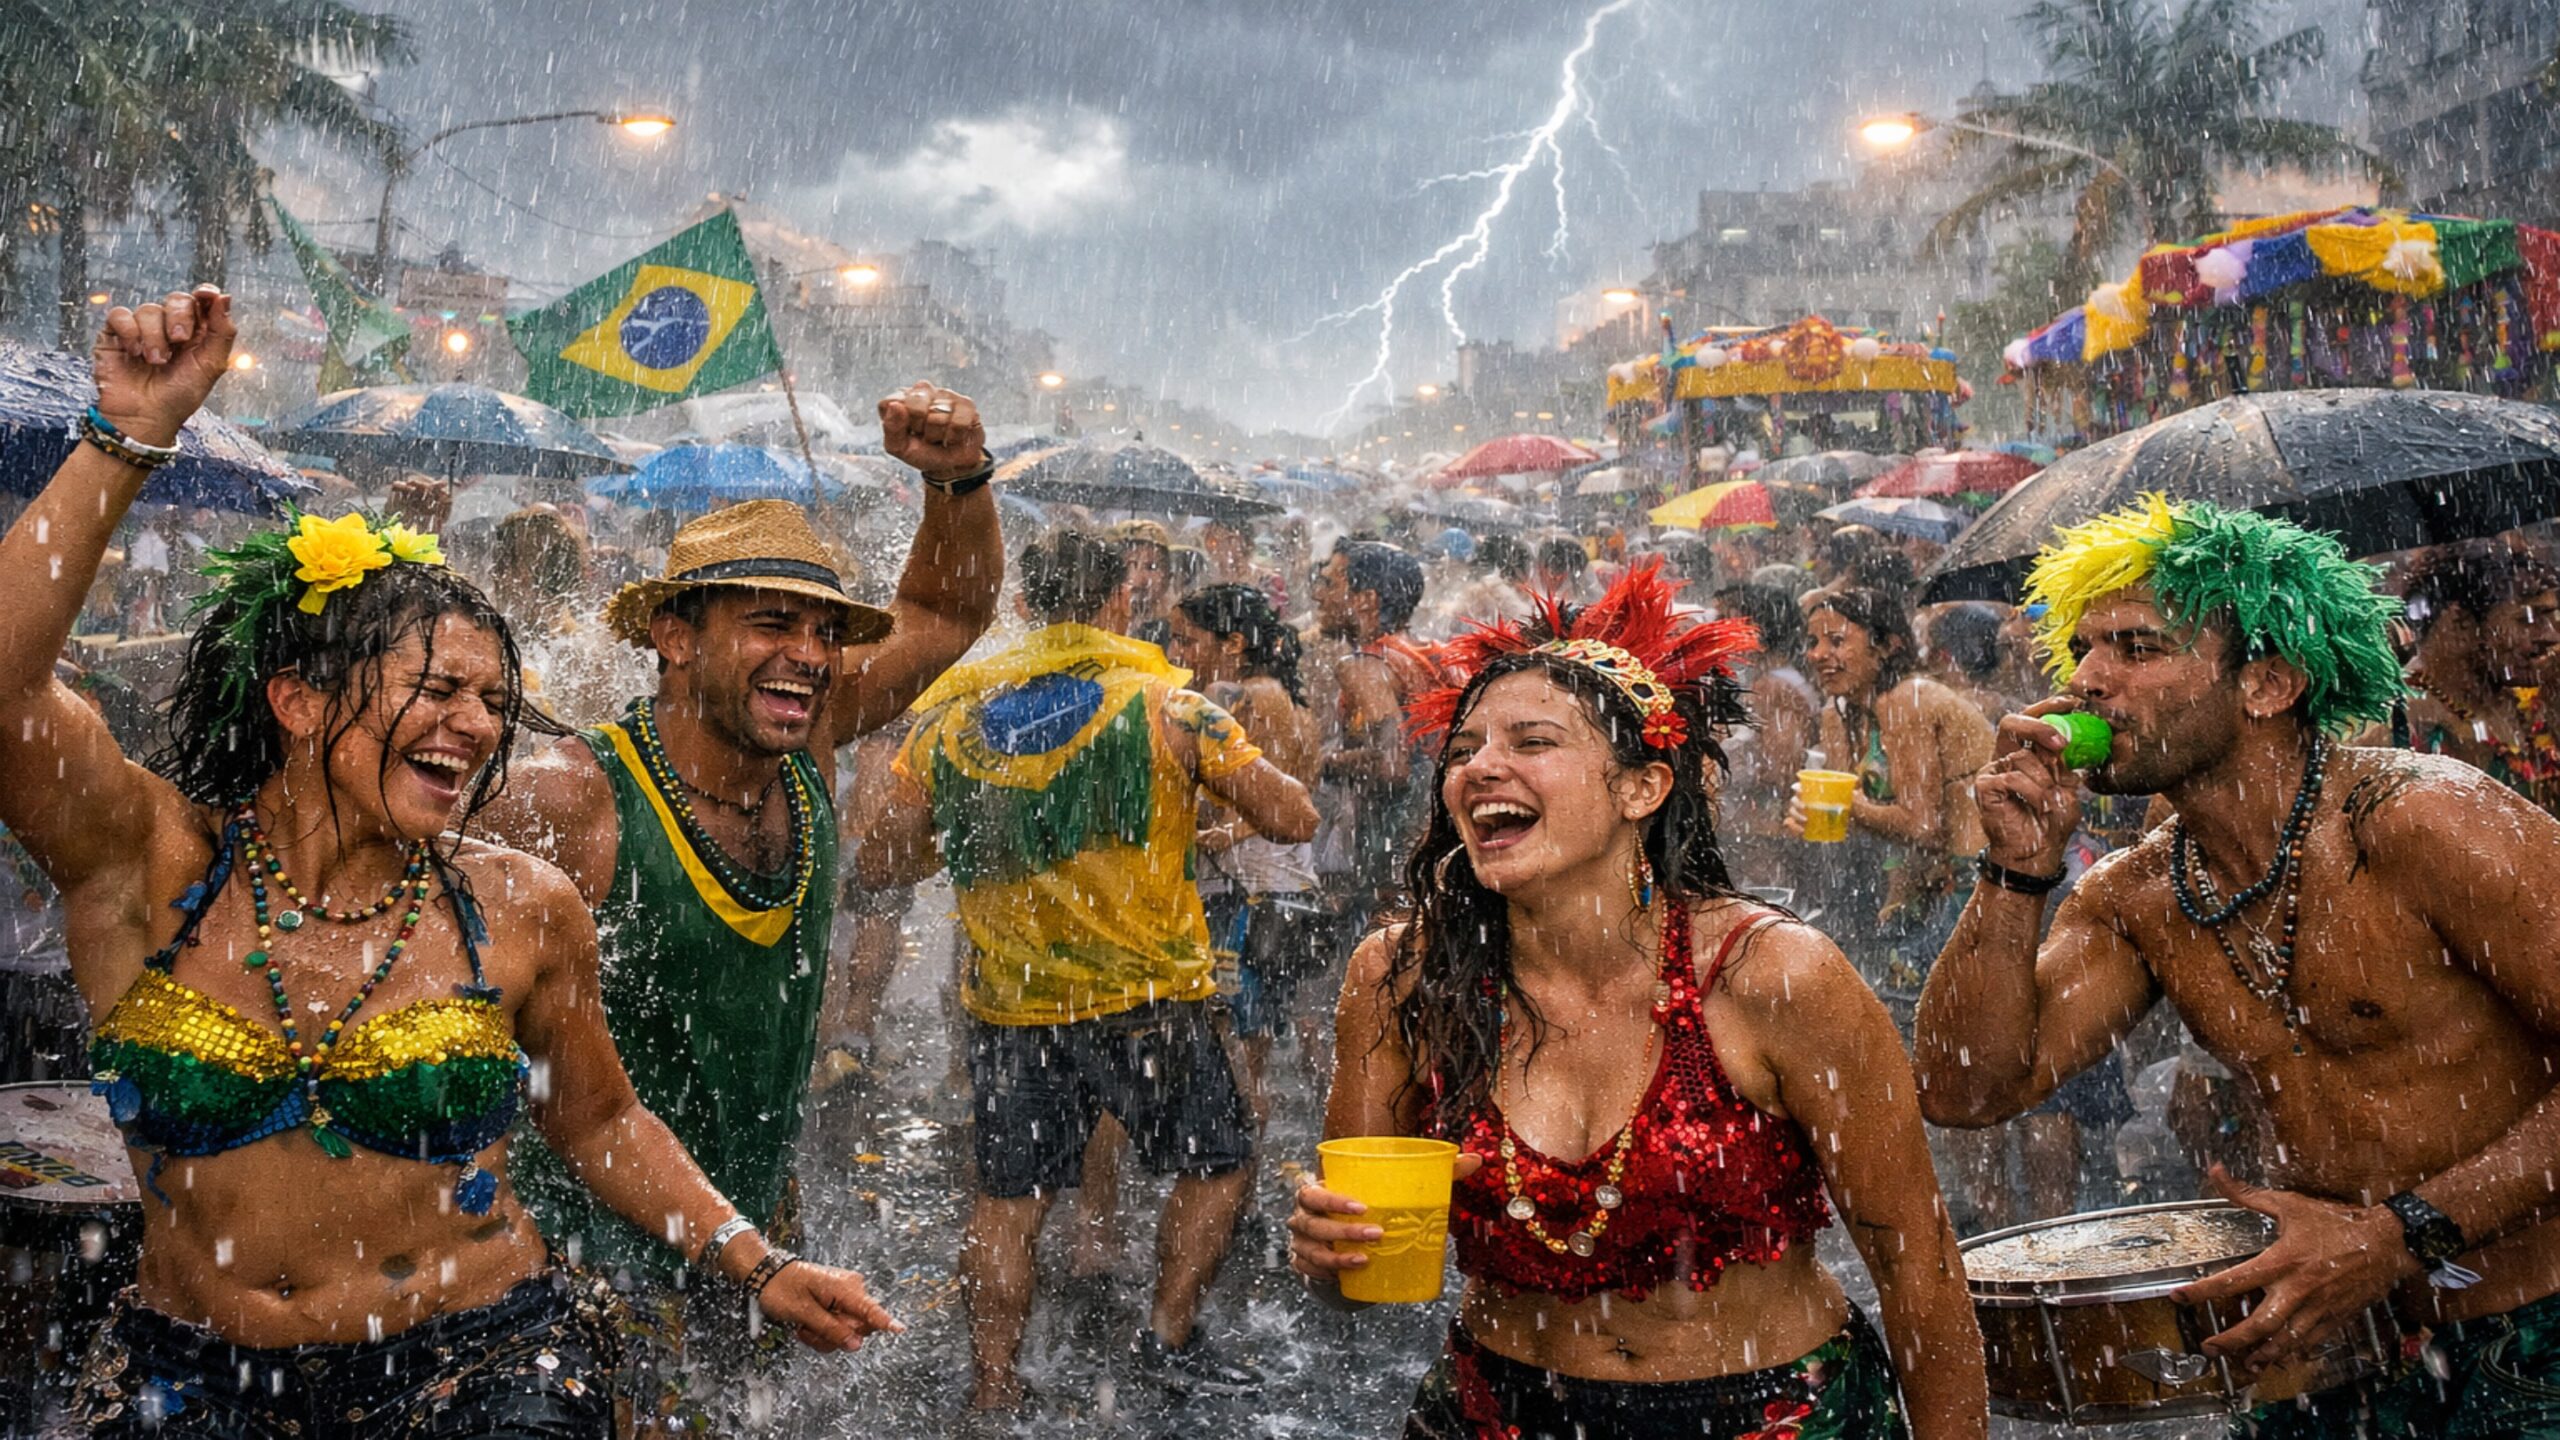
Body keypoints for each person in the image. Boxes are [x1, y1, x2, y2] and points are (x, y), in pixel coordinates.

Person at [2, 289, 895, 1439]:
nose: (476, 728)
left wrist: (753, 1262)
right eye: (436, 692)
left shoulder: (520, 905)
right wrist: (129, 435)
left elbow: (600, 1121)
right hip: (202, 1378)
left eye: (492, 701)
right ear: (297, 699)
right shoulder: (150, 867)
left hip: (481, 1362)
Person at [1289, 559, 1985, 1440]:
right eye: (1464, 751)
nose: (1480, 769)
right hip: (1499, 1414)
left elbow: (1919, 1270)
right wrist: (1322, 1250)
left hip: (1774, 1417)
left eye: (1532, 743)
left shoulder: (1773, 976)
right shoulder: (1402, 976)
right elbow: (1353, 1276)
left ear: (1640, 787)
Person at [1916, 495, 2560, 1437]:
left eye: (2138, 649)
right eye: (2085, 648)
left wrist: (2399, 1236)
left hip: (2532, 1326)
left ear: (2268, 684)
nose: (2088, 679)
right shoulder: (2138, 895)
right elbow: (1966, 1089)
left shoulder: (2424, 821)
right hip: (2327, 1347)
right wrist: (2015, 873)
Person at [480, 383, 1000, 1427]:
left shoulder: (804, 743)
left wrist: (958, 481)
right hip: (584, 1255)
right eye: (771, 622)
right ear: (675, 635)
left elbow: (947, 613)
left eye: (822, 630)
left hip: (746, 1229)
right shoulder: (573, 801)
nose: (809, 653)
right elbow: (455, 1035)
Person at [862, 529, 1319, 1415]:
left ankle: (993, 1383)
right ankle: (1168, 1335)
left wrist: (1003, 834)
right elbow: (1295, 816)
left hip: (1012, 1007)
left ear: (1026, 606)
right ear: (1120, 601)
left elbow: (882, 856)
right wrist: (1185, 808)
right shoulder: (1170, 708)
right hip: (1148, 999)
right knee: (1220, 1161)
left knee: (1008, 1199)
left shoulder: (955, 721)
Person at [1793, 587, 1994, 1022]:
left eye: (1837, 640)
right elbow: (1854, 811)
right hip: (1920, 885)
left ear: (1886, 646)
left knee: (1933, 1021)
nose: (1818, 654)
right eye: (1813, 642)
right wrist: (1808, 811)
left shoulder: (1908, 699)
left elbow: (1923, 826)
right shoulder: (1838, 714)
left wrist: (1841, 807)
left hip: (1981, 881)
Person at [1166, 583, 1327, 1127]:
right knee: (1255, 1048)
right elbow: (1296, 788)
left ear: (1233, 643)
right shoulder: (1288, 698)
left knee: (1234, 1055)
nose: (1174, 653)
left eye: (1185, 639)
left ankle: (1233, 1190)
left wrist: (1209, 836)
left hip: (1244, 895)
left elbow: (1261, 805)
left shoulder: (1235, 697)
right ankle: (1250, 1185)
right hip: (1287, 890)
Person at [1313, 540, 1438, 941]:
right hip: (1433, 852)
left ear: (1365, 599)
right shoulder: (1428, 653)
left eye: (1330, 583)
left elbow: (1392, 765)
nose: (1318, 595)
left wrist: (1328, 762)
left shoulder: (1364, 665)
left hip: (1393, 858)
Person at [2392, 536, 2560, 816]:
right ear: (2460, 622)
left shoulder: (2535, 693)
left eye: (2552, 618)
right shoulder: (2395, 721)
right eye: (2528, 620)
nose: (2552, 636)